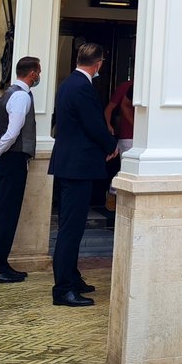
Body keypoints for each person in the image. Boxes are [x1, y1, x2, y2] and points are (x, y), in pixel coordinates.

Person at [48, 42, 113, 307]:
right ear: (97, 64)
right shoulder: (82, 87)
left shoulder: (68, 84)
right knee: (71, 230)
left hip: (70, 165)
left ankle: (72, 278)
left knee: (71, 227)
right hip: (77, 167)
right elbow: (93, 125)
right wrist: (111, 145)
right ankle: (63, 289)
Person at [0, 56, 42, 284]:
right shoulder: (21, 96)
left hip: (7, 158)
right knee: (7, 214)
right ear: (32, 73)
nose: (39, 76)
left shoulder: (9, 93)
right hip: (13, 159)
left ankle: (0, 264)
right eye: (38, 72)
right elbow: (12, 131)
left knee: (6, 213)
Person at [103, 80, 135, 211]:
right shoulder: (126, 86)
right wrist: (108, 125)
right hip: (128, 136)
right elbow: (109, 108)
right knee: (127, 169)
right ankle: (112, 190)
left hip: (146, 137)